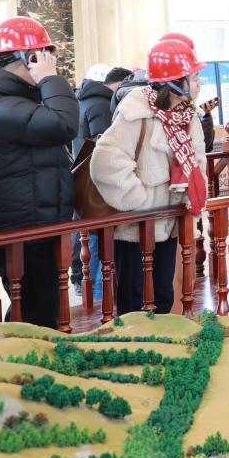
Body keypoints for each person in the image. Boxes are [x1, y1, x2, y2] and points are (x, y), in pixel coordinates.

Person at [0, 17, 79, 329]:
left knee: (34, 310)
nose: (51, 62)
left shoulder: (12, 100)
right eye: (45, 55)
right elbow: (65, 124)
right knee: (36, 316)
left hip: (32, 223)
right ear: (30, 57)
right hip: (23, 229)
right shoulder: (2, 107)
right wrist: (50, 79)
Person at [91, 40, 206, 316]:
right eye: (193, 78)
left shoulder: (188, 116)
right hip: (136, 230)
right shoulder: (136, 113)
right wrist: (139, 202)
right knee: (134, 303)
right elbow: (105, 163)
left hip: (169, 224)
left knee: (163, 296)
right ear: (176, 83)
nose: (199, 83)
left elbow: (196, 162)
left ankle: (164, 343)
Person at [70, 63, 131, 302]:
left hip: (85, 179)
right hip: (98, 183)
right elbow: (104, 145)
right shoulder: (101, 105)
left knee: (90, 236)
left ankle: (90, 289)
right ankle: (99, 299)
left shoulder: (83, 100)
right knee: (98, 240)